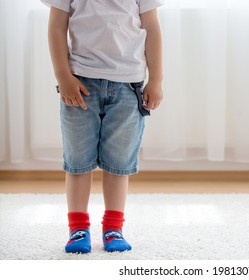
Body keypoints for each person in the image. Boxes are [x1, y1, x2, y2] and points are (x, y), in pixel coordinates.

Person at [42, 0, 163, 253]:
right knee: (78, 162)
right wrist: (63, 76)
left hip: (128, 87)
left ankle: (113, 228)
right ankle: (78, 229)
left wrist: (157, 80)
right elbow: (56, 27)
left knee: (119, 164)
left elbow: (151, 28)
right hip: (79, 85)